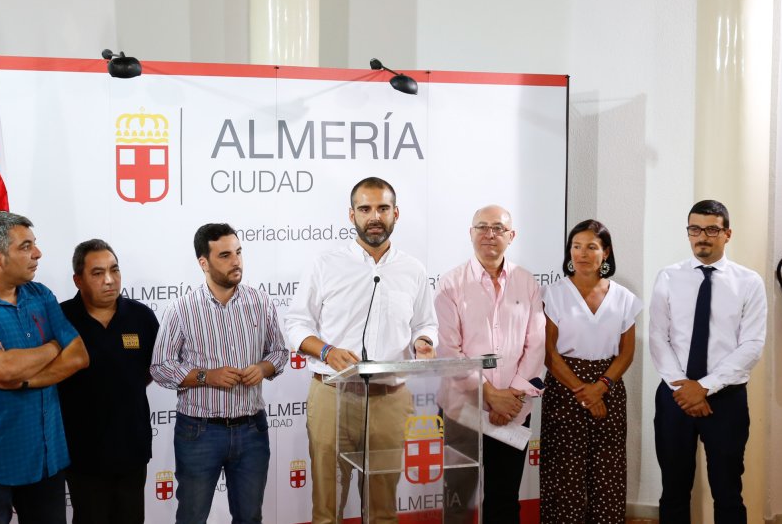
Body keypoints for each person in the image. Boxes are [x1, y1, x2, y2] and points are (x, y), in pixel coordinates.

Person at [286, 176, 437, 524]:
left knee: (382, 508)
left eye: (382, 208)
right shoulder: (325, 264)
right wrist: (326, 351)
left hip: (390, 398)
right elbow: (295, 323)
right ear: (351, 215)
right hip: (333, 395)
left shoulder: (413, 269)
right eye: (365, 208)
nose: (374, 216)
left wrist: (423, 342)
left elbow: (424, 324)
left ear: (395, 213)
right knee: (327, 508)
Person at [0, 211, 90, 524]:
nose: (37, 253)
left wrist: (27, 380)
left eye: (34, 244)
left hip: (45, 459)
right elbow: (4, 369)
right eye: (25, 247)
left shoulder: (41, 295)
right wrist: (53, 346)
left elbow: (78, 356)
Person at [149, 223, 287, 524]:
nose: (236, 261)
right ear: (204, 262)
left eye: (238, 252)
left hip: (252, 430)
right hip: (199, 432)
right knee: (192, 517)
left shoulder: (261, 302)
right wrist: (206, 376)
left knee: (250, 517)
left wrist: (263, 368)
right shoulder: (182, 309)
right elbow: (160, 367)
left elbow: (279, 352)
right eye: (225, 255)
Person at [649, 200, 766, 523]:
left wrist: (704, 387)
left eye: (712, 229)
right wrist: (685, 388)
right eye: (695, 229)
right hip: (675, 397)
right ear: (688, 233)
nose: (703, 236)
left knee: (728, 491)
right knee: (673, 489)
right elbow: (659, 337)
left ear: (727, 234)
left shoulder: (749, 282)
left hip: (725, 399)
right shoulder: (668, 277)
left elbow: (752, 344)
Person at [434, 204, 544, 524]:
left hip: (513, 409)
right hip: (463, 410)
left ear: (511, 236)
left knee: (504, 499)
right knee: (459, 499)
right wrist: (490, 394)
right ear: (471, 234)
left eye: (498, 228)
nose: (489, 234)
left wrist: (510, 397)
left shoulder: (527, 281)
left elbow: (536, 344)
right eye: (482, 227)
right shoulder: (450, 283)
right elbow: (448, 350)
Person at [540, 219, 641, 523]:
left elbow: (627, 352)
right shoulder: (552, 294)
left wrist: (602, 386)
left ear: (606, 253)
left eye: (591, 247)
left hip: (608, 387)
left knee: (607, 469)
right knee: (564, 472)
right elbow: (549, 353)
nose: (582, 254)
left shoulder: (624, 297)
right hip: (564, 387)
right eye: (576, 246)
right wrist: (585, 394)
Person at [57, 239, 160, 524]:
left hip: (132, 447)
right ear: (78, 280)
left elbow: (153, 369)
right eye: (98, 273)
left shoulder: (141, 317)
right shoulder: (61, 318)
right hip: (81, 452)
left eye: (114, 270)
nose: (109, 280)